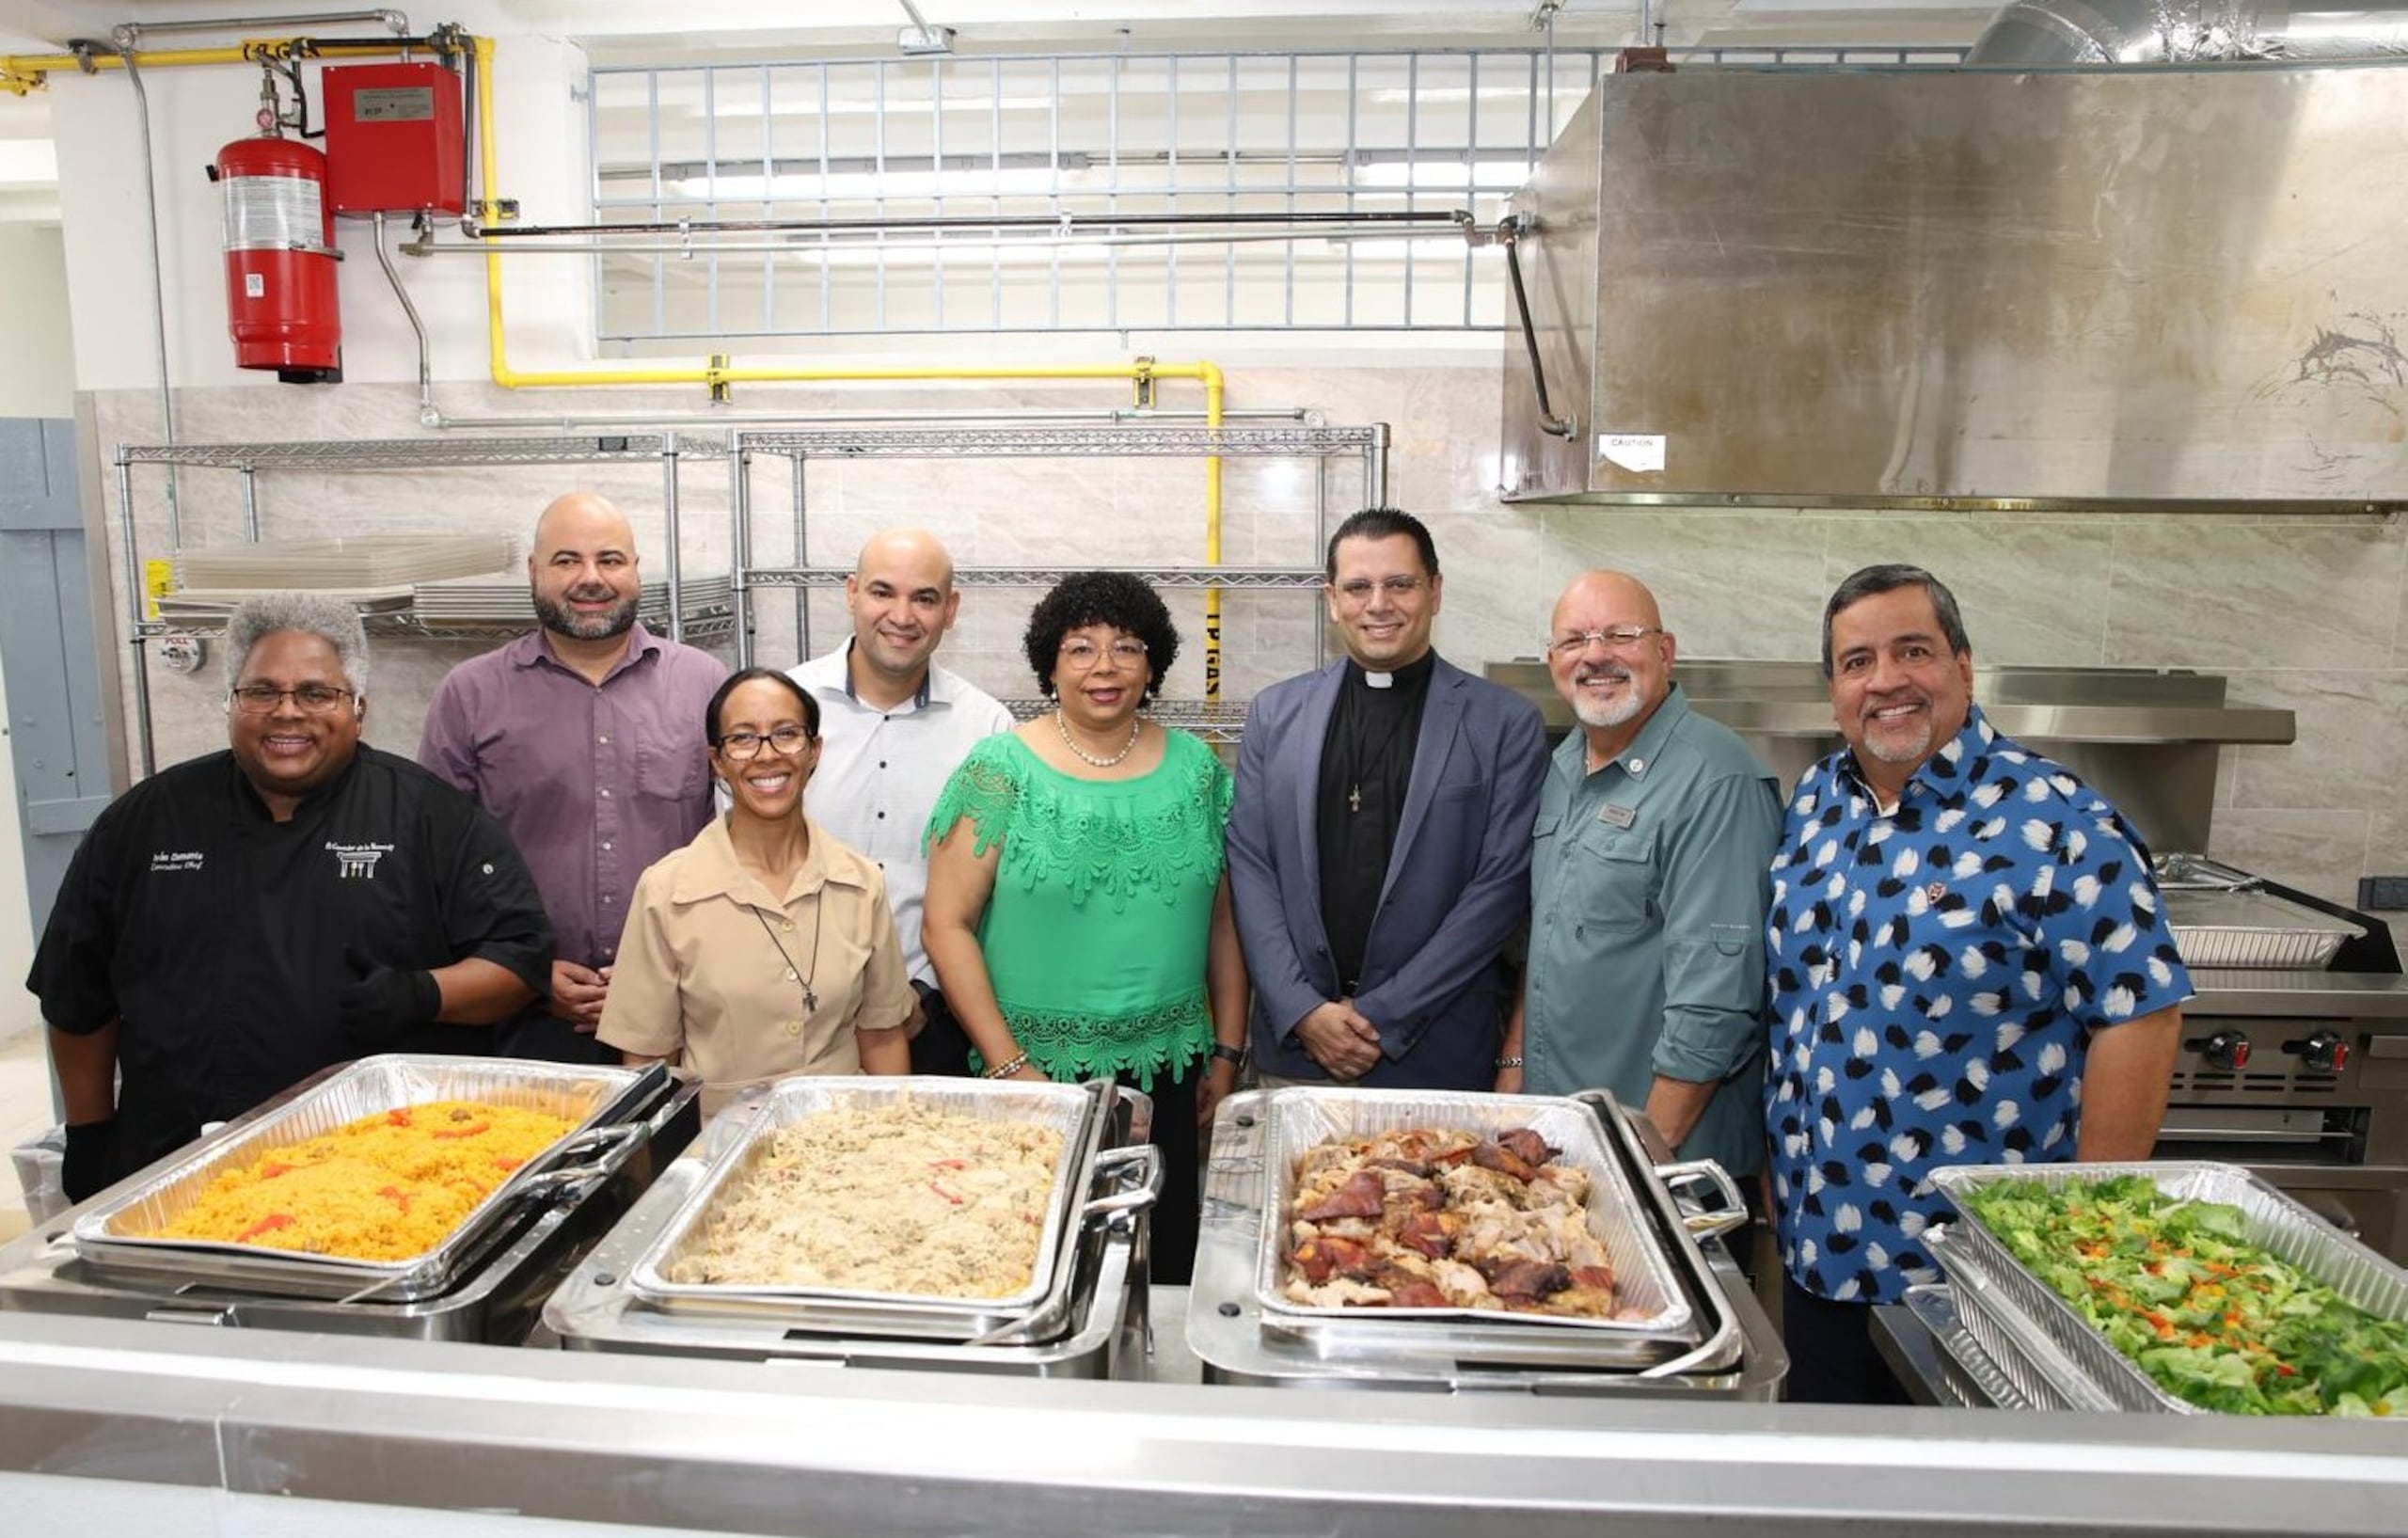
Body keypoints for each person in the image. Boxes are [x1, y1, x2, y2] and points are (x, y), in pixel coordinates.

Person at [1767, 563, 2193, 1403]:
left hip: (1977, 1286)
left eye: (1912, 651)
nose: (1885, 679)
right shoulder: (1819, 800)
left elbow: (2139, 1014)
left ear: (1964, 666)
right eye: (1857, 662)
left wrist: (2087, 1237)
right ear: (1833, 691)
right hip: (1820, 1255)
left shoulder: (2059, 821)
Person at [30, 594, 552, 1201]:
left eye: (315, 693)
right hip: (176, 1163)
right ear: (231, 703)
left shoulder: (430, 817)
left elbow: (521, 958)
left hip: (380, 1174)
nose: (287, 713)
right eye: (261, 692)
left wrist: (421, 994)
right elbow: (76, 998)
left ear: (358, 708)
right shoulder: (145, 822)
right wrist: (89, 1132)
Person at [921, 573, 1247, 1286]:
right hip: (1035, 1075)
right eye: (1081, 648)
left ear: (1153, 662)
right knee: (1037, 1270)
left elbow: (1224, 920)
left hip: (1169, 1073)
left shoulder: (1197, 770)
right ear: (1050, 664)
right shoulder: (1000, 769)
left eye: (1127, 646)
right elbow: (945, 926)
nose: (1106, 666)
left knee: (1156, 1274)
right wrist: (1010, 1067)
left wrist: (1226, 1052)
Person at [1226, 507, 1545, 1090]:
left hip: (1433, 1053)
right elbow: (1251, 867)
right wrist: (1302, 1009)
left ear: (1435, 591)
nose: (1379, 604)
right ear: (1331, 599)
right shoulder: (1275, 714)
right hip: (1297, 1049)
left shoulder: (1504, 724)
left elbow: (1500, 889)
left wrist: (1385, 1015)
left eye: (1400, 584)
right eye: (1358, 587)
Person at [419, 490, 727, 1064]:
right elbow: (436, 868)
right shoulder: (470, 694)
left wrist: (660, 972)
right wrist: (526, 971)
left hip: (685, 1013)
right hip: (524, 1023)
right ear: (535, 573)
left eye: (610, 559)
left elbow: (735, 848)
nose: (591, 578)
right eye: (567, 561)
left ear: (636, 570)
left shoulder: (704, 684)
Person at [1500, 571, 1780, 1203]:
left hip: (1664, 1164)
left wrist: (1644, 1162)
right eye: (1575, 640)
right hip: (1569, 1146)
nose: (1596, 654)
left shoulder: (1717, 780)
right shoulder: (1564, 765)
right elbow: (1544, 940)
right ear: (1552, 662)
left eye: (1620, 634)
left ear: (1665, 650)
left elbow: (1717, 1002)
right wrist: (1514, 1072)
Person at [597, 669, 913, 1115]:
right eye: (743, 739)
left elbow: (881, 1036)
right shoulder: (667, 892)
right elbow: (649, 1063)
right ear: (717, 760)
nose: (767, 755)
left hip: (845, 1146)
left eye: (786, 734)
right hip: (716, 1146)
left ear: (814, 752)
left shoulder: (861, 882)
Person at [787, 529, 1014, 1076]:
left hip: (934, 1021)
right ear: (851, 594)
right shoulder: (786, 709)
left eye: (925, 598)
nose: (902, 615)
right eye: (882, 592)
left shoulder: (987, 730)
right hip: (798, 1021)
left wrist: (917, 991)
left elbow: (996, 895)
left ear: (951, 610)